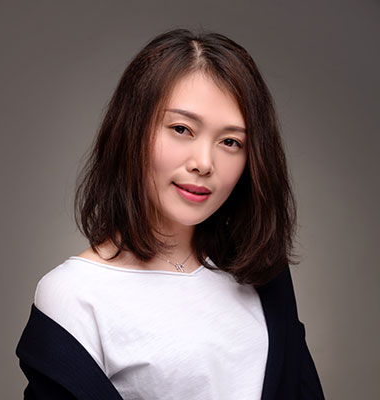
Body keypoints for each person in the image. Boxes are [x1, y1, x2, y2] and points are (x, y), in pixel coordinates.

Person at [16, 28, 325, 399]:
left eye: (230, 141)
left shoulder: (261, 272)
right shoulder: (74, 295)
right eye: (181, 129)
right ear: (132, 131)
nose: (204, 163)